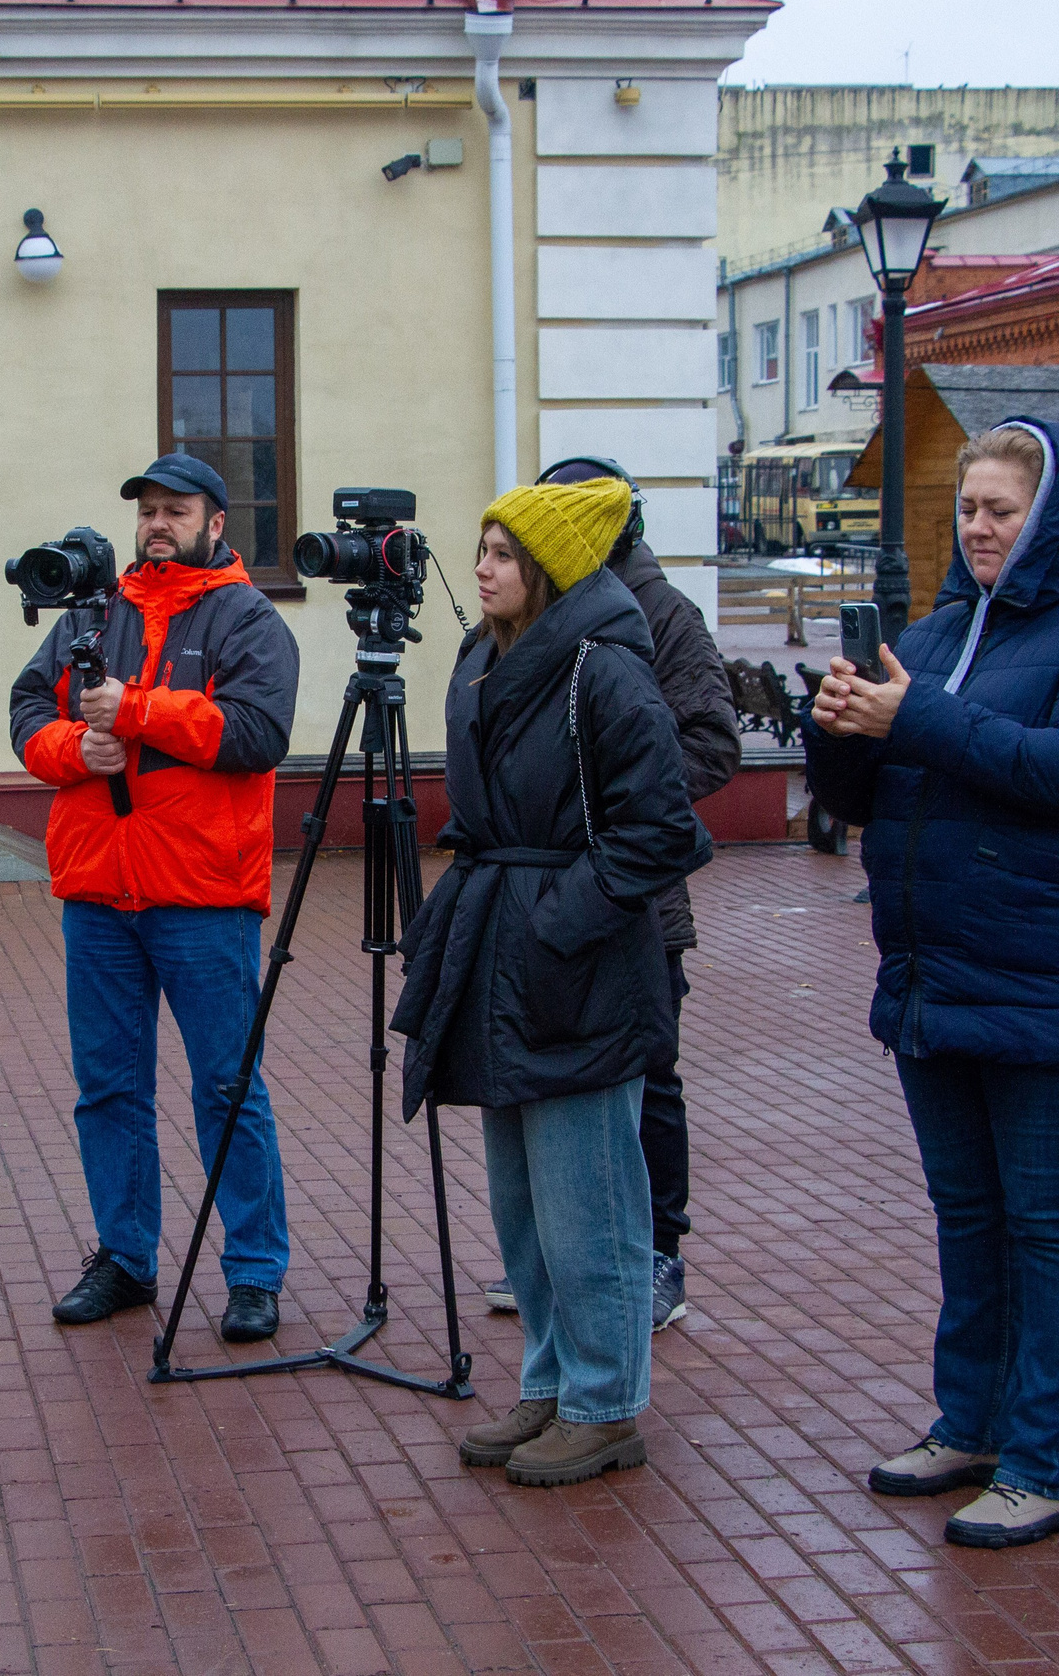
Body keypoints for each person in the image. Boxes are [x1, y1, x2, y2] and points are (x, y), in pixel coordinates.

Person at [805, 418, 1059, 1550]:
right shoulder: (940, 630)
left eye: (1000, 510)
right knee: (968, 1218)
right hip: (935, 973)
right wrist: (844, 733)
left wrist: (915, 714)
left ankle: (1049, 1465)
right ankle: (971, 1424)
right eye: (967, 510)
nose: (977, 529)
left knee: (1052, 1225)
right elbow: (873, 799)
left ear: (1050, 516)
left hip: (1056, 977)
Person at [393, 479, 712, 1489]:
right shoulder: (485, 658)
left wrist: (557, 918)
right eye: (480, 547)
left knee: (593, 1207)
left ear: (548, 569)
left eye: (499, 551)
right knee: (525, 1208)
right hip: (507, 956)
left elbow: (662, 830)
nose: (479, 565)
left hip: (578, 968)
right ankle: (548, 1384)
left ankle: (606, 1403)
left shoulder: (605, 674)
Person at [8, 454, 300, 1341]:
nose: (157, 524)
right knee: (109, 1087)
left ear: (217, 524)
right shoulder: (95, 611)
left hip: (202, 894)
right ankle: (126, 1258)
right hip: (99, 890)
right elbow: (28, 706)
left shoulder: (248, 617)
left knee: (227, 1084)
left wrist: (135, 711)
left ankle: (254, 1271)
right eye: (148, 512)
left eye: (177, 511)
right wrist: (69, 748)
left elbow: (257, 733)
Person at [481, 457, 740, 1330]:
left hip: (631, 896)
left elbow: (708, 744)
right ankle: (564, 1265)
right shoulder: (525, 615)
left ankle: (659, 1252)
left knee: (646, 1082)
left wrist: (605, 808)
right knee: (545, 1094)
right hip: (546, 892)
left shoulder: (659, 614)